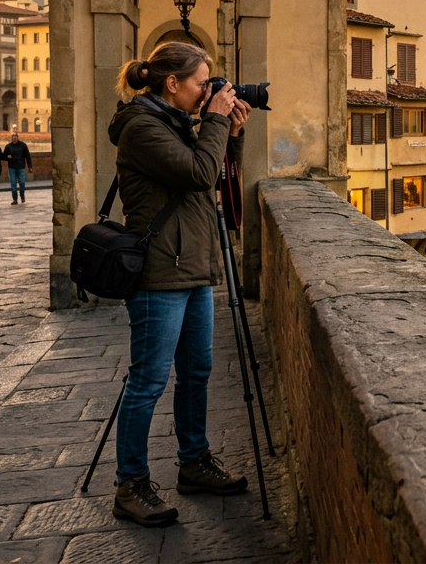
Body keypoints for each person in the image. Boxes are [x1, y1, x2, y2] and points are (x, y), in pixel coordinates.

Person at [107, 41, 251, 527]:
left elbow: (216, 177)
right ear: (173, 83)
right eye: (200, 82)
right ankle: (131, 484)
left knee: (197, 372)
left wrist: (230, 132)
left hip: (193, 267)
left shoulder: (177, 123)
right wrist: (213, 121)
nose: (207, 90)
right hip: (159, 274)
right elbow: (197, 172)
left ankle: (193, 463)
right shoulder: (142, 128)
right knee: (147, 381)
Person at [2, 131, 33, 204]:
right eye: (13, 136)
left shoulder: (23, 145)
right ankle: (15, 199)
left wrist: (30, 166)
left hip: (21, 167)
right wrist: (7, 157)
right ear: (11, 138)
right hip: (12, 168)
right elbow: (3, 156)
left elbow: (27, 156)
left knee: (22, 183)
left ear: (17, 137)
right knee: (13, 184)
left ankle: (22, 195)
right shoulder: (8, 146)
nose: (14, 137)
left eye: (15, 136)